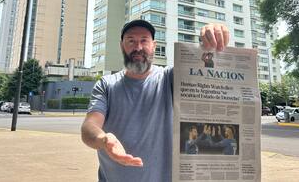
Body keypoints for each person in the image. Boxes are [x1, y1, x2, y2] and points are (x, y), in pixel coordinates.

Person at [81, 19, 229, 182]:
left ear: (154, 46)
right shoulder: (106, 84)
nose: (138, 47)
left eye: (144, 40)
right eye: (131, 41)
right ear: (122, 46)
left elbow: (203, 66)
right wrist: (104, 139)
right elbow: (90, 126)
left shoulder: (170, 78)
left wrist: (211, 33)